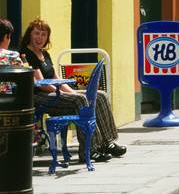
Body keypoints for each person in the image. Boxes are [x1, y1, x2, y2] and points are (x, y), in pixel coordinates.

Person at [20, 18, 126, 161]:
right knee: (81, 101)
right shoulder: (26, 53)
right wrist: (62, 93)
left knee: (99, 95)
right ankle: (89, 150)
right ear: (30, 35)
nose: (40, 37)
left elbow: (57, 78)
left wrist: (73, 92)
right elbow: (40, 83)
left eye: (43, 34)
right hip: (40, 96)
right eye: (37, 33)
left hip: (55, 91)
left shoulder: (45, 54)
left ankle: (107, 142)